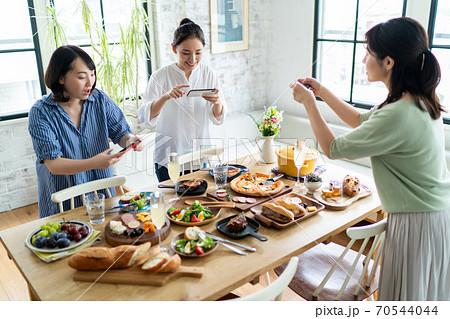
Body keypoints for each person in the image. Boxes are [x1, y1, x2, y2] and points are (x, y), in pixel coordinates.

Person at [291, 17, 450, 301]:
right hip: (431, 217)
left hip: (417, 222)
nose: (363, 59)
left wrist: (309, 104)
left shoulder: (398, 113)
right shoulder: (415, 100)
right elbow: (360, 120)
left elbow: (332, 147)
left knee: (405, 300)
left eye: (368, 53)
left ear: (388, 62)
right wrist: (322, 92)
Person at [28, 45, 143, 218]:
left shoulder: (99, 99)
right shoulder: (41, 112)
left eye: (92, 74)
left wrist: (131, 140)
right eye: (82, 77)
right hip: (64, 200)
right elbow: (54, 165)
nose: (90, 82)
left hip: (102, 196)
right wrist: (95, 162)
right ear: (61, 78)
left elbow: (121, 133)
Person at [137, 18, 227, 182]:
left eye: (198, 52)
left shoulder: (208, 73)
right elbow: (145, 117)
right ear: (174, 48)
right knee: (174, 206)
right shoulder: (160, 76)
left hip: (200, 157)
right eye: (186, 53)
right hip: (169, 161)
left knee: (201, 206)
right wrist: (166, 97)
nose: (192, 59)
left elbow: (218, 118)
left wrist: (217, 102)